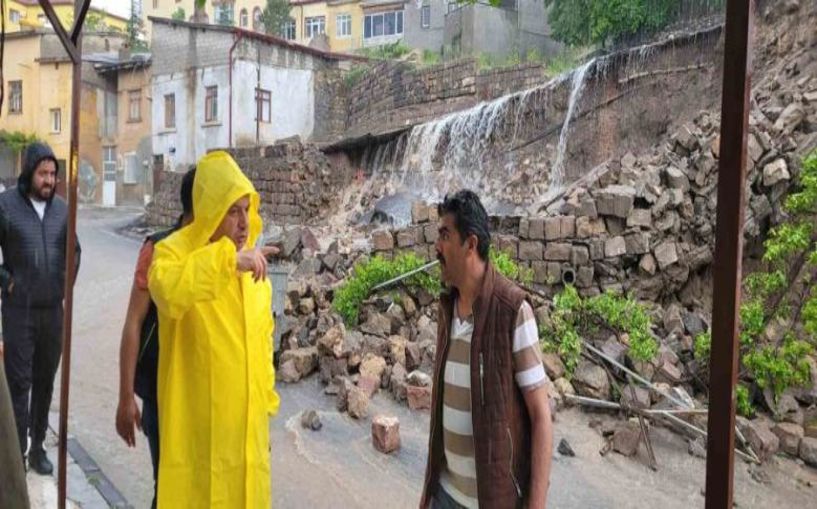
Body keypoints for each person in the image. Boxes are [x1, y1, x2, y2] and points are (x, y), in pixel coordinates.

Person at [148, 151, 279, 508]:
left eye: (246, 209)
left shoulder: (256, 275)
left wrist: (263, 415)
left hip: (247, 445)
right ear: (209, 211)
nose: (243, 223)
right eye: (232, 211)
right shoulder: (172, 254)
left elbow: (264, 349)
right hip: (200, 446)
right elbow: (168, 289)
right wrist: (227, 261)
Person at [420, 190, 553, 509]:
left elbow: (541, 417)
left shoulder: (513, 311)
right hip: (444, 494)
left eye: (445, 235)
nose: (436, 247)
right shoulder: (447, 308)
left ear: (471, 244)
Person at [115, 167, 196, 508]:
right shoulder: (159, 250)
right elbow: (134, 323)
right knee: (168, 485)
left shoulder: (226, 255)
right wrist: (125, 397)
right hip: (163, 394)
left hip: (207, 395)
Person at [0, 142, 80, 474]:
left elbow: (74, 251)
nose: (48, 180)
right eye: (42, 173)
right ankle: (17, 454)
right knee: (19, 384)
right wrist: (8, 282)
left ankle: (37, 449)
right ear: (29, 172)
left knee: (45, 381)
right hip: (19, 311)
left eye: (52, 174)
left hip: (52, 312)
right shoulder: (6, 206)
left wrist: (64, 285)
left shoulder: (62, 209)